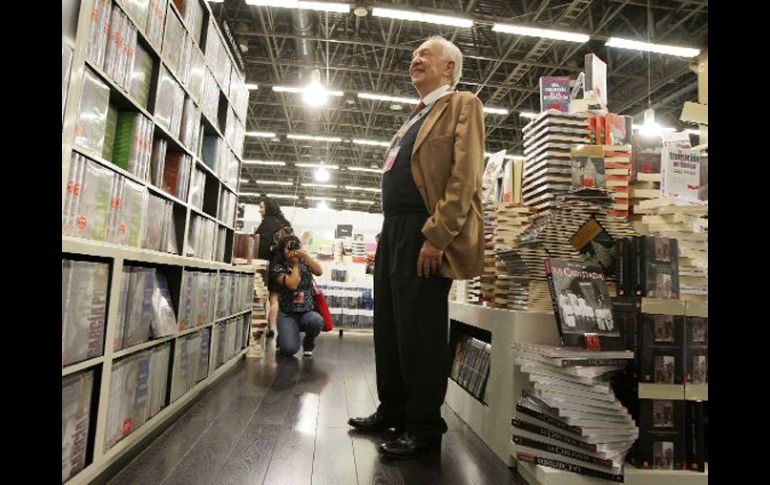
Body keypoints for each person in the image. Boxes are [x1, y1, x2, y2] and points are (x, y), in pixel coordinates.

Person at [347, 35, 485, 459]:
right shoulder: (415, 116)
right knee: (389, 327)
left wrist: (437, 235)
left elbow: (464, 176)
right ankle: (393, 410)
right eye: (414, 54)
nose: (415, 58)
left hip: (425, 231)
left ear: (450, 68)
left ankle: (424, 426)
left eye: (426, 54)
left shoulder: (463, 105)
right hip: (395, 231)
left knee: (421, 333)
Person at [270, 235, 325, 357]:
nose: (292, 251)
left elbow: (319, 271)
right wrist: (295, 265)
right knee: (289, 350)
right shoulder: (278, 268)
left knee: (316, 320)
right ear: (282, 250)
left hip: (307, 312)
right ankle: (284, 336)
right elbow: (293, 285)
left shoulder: (305, 263)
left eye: (296, 246)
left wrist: (304, 255)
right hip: (288, 314)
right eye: (289, 248)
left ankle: (309, 342)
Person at [254, 197, 293, 339]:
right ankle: (272, 327)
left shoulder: (266, 223)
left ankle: (260, 327)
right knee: (274, 298)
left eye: (262, 207)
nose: (260, 210)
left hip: (265, 265)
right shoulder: (285, 223)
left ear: (268, 208)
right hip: (280, 266)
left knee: (262, 296)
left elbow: (258, 244)